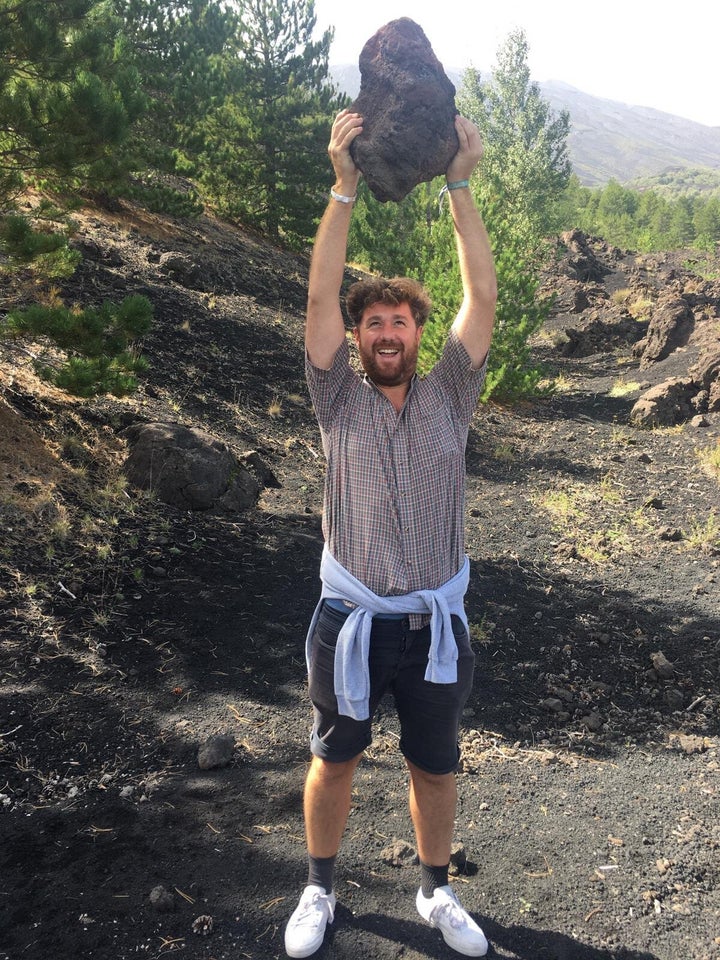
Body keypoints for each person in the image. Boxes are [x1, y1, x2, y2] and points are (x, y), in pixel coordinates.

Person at [284, 108, 497, 959]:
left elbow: (481, 294)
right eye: (371, 323)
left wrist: (461, 185)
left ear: (418, 332)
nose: (384, 333)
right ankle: (318, 888)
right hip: (354, 621)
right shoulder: (335, 398)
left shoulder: (452, 393)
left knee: (435, 766)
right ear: (358, 337)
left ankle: (437, 891)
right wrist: (343, 189)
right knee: (334, 758)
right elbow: (317, 294)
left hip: (434, 625)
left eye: (400, 321)